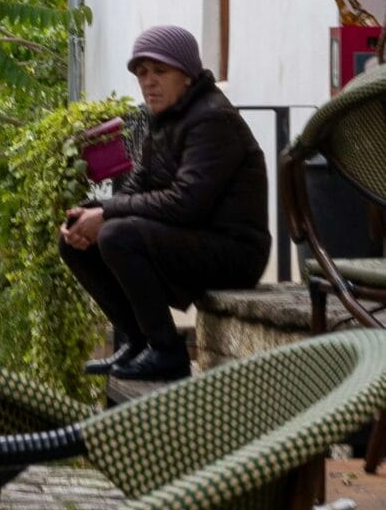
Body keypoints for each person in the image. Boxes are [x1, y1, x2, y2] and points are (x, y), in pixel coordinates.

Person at [59, 25, 270, 383]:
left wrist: (107, 215)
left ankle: (167, 351)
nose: (149, 82)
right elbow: (137, 188)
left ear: (186, 75)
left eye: (160, 71)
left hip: (234, 252)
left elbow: (187, 203)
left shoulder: (211, 118)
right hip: (189, 240)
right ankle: (139, 342)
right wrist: (89, 212)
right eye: (142, 73)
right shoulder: (164, 118)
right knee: (75, 241)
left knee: (116, 234)